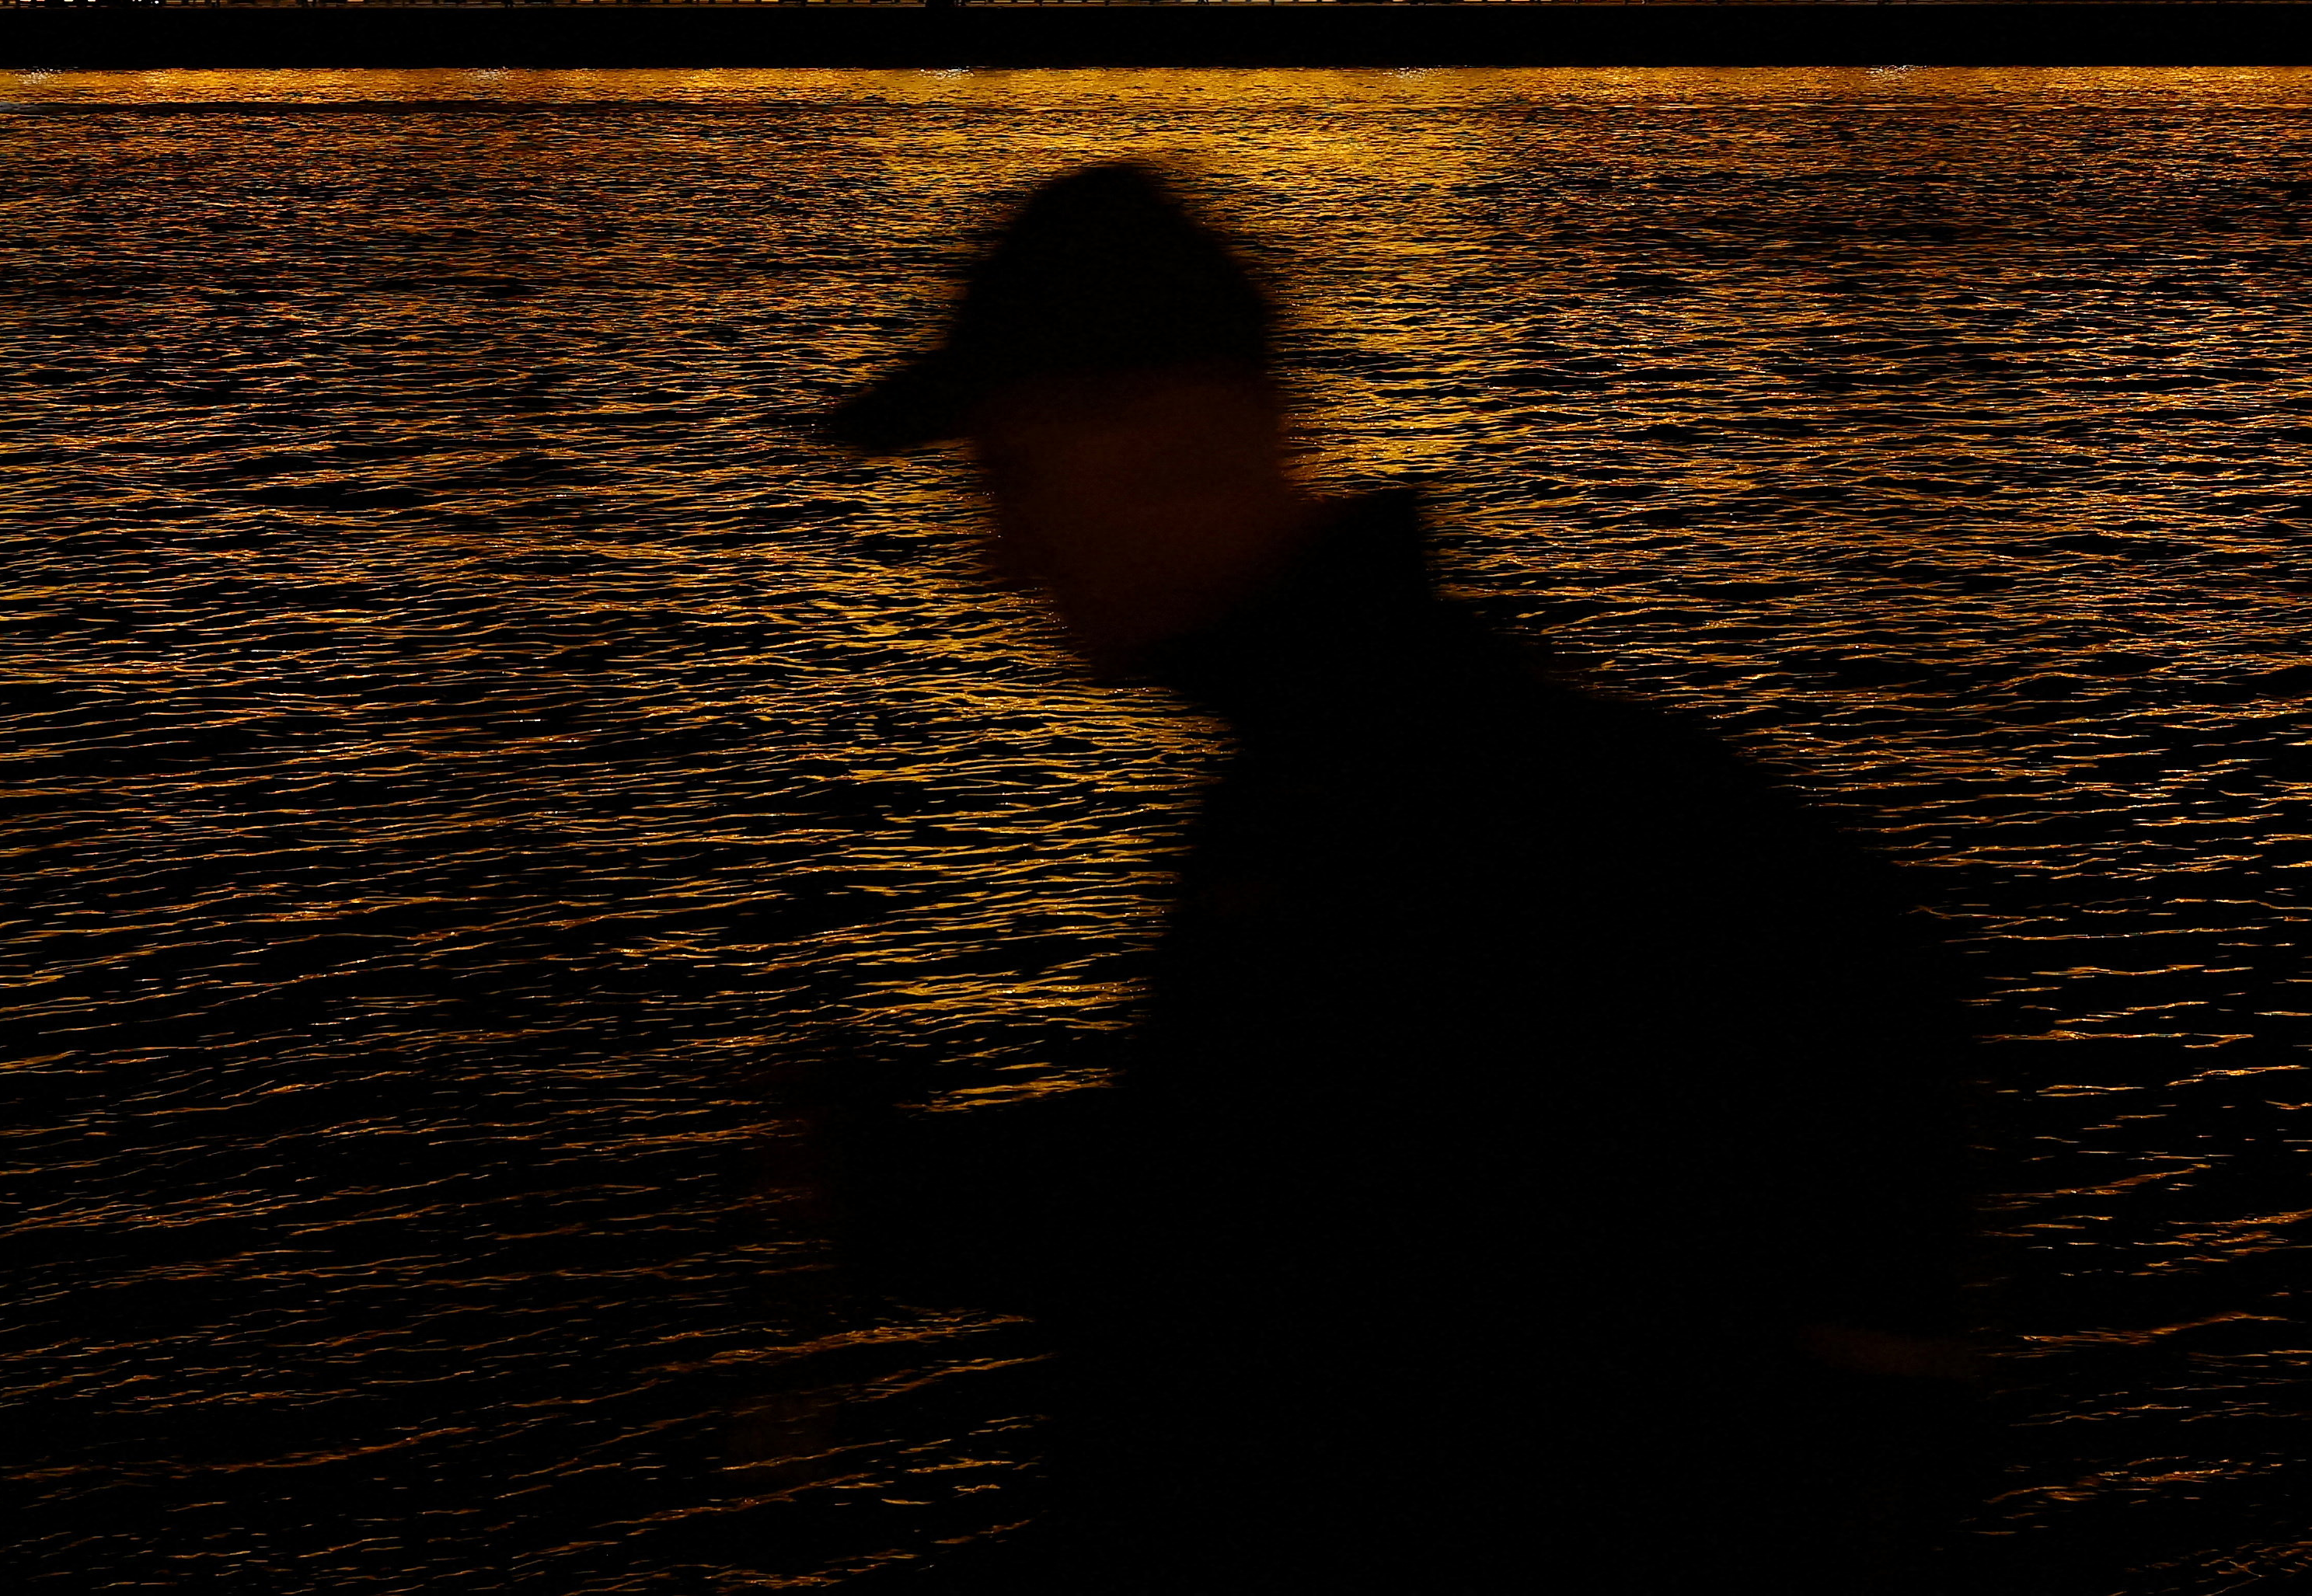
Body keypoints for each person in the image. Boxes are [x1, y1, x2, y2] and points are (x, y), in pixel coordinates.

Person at [805, 162, 1985, 1587]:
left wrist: (909, 1204)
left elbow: (1326, 1260)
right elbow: (1320, 1190)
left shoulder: (1403, 811)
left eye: (1009, 473)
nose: (992, 557)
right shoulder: (1408, 778)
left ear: (1172, 433)